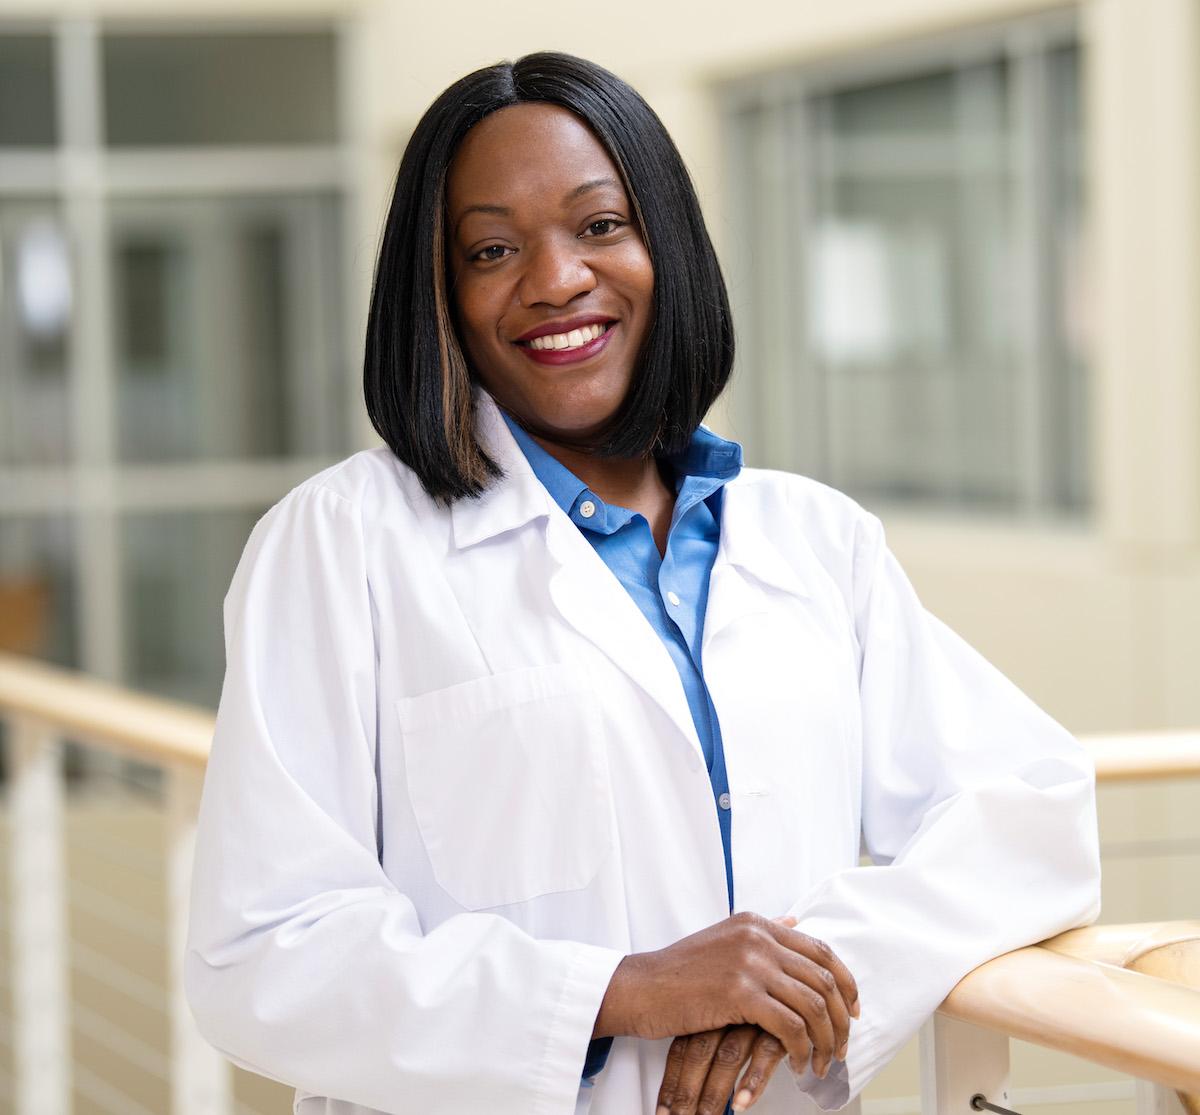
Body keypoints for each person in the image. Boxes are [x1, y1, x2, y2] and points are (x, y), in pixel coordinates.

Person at [184, 51, 1101, 1115]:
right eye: (491, 248)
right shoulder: (341, 545)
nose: (556, 279)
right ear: (439, 290)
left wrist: (810, 969)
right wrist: (616, 991)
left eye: (599, 225)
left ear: (665, 239)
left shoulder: (816, 540)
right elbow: (262, 950)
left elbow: (1031, 811)